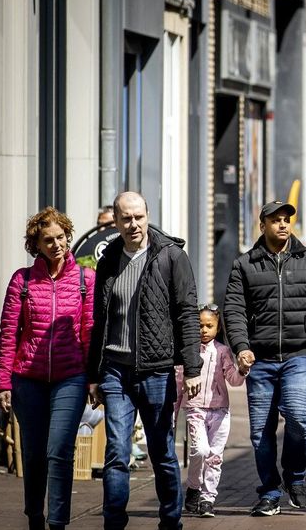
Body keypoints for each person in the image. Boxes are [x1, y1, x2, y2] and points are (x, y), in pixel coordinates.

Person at [87, 191, 203, 530]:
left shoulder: (171, 256)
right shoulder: (108, 259)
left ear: (147, 215)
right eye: (126, 218)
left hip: (156, 370)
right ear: (116, 221)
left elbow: (187, 314)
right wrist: (93, 374)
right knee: (117, 453)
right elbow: (99, 318)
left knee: (162, 452)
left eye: (138, 216)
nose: (133, 224)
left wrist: (192, 368)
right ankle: (113, 523)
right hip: (115, 370)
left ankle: (170, 521)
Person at [223, 200, 306, 516]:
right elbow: (233, 310)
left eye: (287, 219)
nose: (283, 224)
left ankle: (295, 477)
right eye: (276, 220)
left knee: (299, 416)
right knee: (260, 430)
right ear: (263, 225)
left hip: (299, 354)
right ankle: (270, 492)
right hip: (259, 359)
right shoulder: (244, 264)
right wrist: (241, 346)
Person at [0, 207, 95, 530]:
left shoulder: (85, 280)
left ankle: (58, 522)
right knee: (35, 454)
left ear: (68, 237)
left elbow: (90, 331)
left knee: (60, 450)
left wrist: (93, 378)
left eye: (61, 237)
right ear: (35, 245)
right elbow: (9, 332)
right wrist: (3, 383)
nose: (56, 244)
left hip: (72, 377)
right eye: (47, 240)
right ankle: (35, 517)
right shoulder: (22, 281)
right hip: (28, 379)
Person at [174, 305, 245, 518]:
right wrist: (173, 414)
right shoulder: (187, 352)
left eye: (209, 326)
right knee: (200, 451)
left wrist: (242, 369)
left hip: (220, 411)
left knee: (215, 457)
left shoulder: (223, 351)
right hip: (195, 408)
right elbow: (178, 384)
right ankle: (194, 487)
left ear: (217, 327)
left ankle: (207, 499)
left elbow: (233, 379)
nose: (204, 330)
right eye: (199, 326)